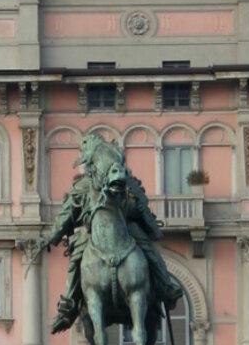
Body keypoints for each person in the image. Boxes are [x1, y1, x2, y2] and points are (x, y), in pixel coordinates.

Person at [42, 132, 183, 334]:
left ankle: (166, 286)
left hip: (125, 227)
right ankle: (70, 302)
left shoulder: (125, 180)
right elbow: (66, 215)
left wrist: (129, 207)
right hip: (91, 231)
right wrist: (52, 236)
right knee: (76, 259)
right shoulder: (82, 186)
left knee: (149, 250)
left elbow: (140, 208)